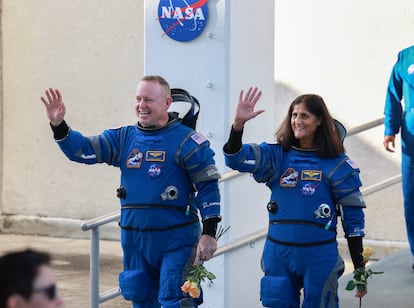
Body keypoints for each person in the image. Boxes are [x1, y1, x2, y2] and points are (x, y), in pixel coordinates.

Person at [40, 75, 221, 308]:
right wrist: (59, 125)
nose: (141, 105)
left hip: (177, 240)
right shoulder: (124, 139)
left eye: (148, 100)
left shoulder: (188, 142)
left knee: (176, 299)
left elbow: (208, 187)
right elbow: (83, 150)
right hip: (135, 240)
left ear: (167, 103)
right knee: (141, 297)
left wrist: (209, 233)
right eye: (138, 99)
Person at [223, 87, 367, 307]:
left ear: (320, 121)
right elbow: (235, 159)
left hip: (319, 256)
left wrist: (359, 270)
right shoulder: (276, 155)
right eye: (294, 115)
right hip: (278, 254)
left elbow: (353, 221)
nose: (297, 120)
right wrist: (238, 126)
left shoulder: (337, 164)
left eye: (304, 116)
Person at [383, 45, 414, 270]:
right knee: (411, 198)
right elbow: (393, 95)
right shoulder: (406, 57)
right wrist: (389, 129)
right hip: (411, 141)